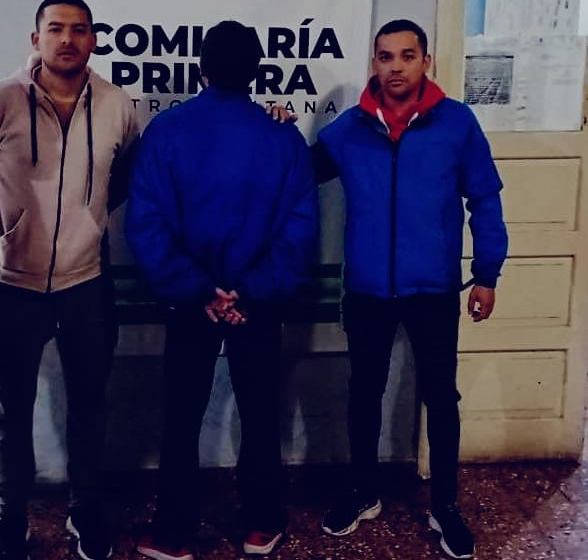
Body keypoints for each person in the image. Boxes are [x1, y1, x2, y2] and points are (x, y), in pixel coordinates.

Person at [310, 19, 508, 560]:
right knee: (363, 392)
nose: (395, 67)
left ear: (426, 61)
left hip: (434, 288)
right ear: (373, 63)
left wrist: (486, 274)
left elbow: (485, 199)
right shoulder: (350, 129)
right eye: (385, 57)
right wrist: (278, 127)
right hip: (368, 289)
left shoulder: (457, 124)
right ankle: (362, 491)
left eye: (406, 56)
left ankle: (445, 505)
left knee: (441, 396)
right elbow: (298, 171)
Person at [125, 20, 319, 560]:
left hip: (190, 303)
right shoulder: (282, 137)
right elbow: (299, 231)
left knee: (181, 416)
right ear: (256, 71)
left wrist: (201, 291)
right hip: (257, 304)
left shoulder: (165, 132)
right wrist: (247, 293)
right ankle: (261, 526)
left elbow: (146, 224)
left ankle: (173, 535)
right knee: (259, 412)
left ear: (201, 69)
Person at [0, 1, 139, 558]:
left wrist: (88, 222)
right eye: (55, 29)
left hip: (87, 283)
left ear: (93, 40)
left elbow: (125, 176)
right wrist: (0, 233)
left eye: (79, 30)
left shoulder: (116, 104)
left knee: (89, 404)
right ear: (35, 38)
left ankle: (86, 511)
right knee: (12, 414)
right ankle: (13, 520)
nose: (67, 39)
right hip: (12, 283)